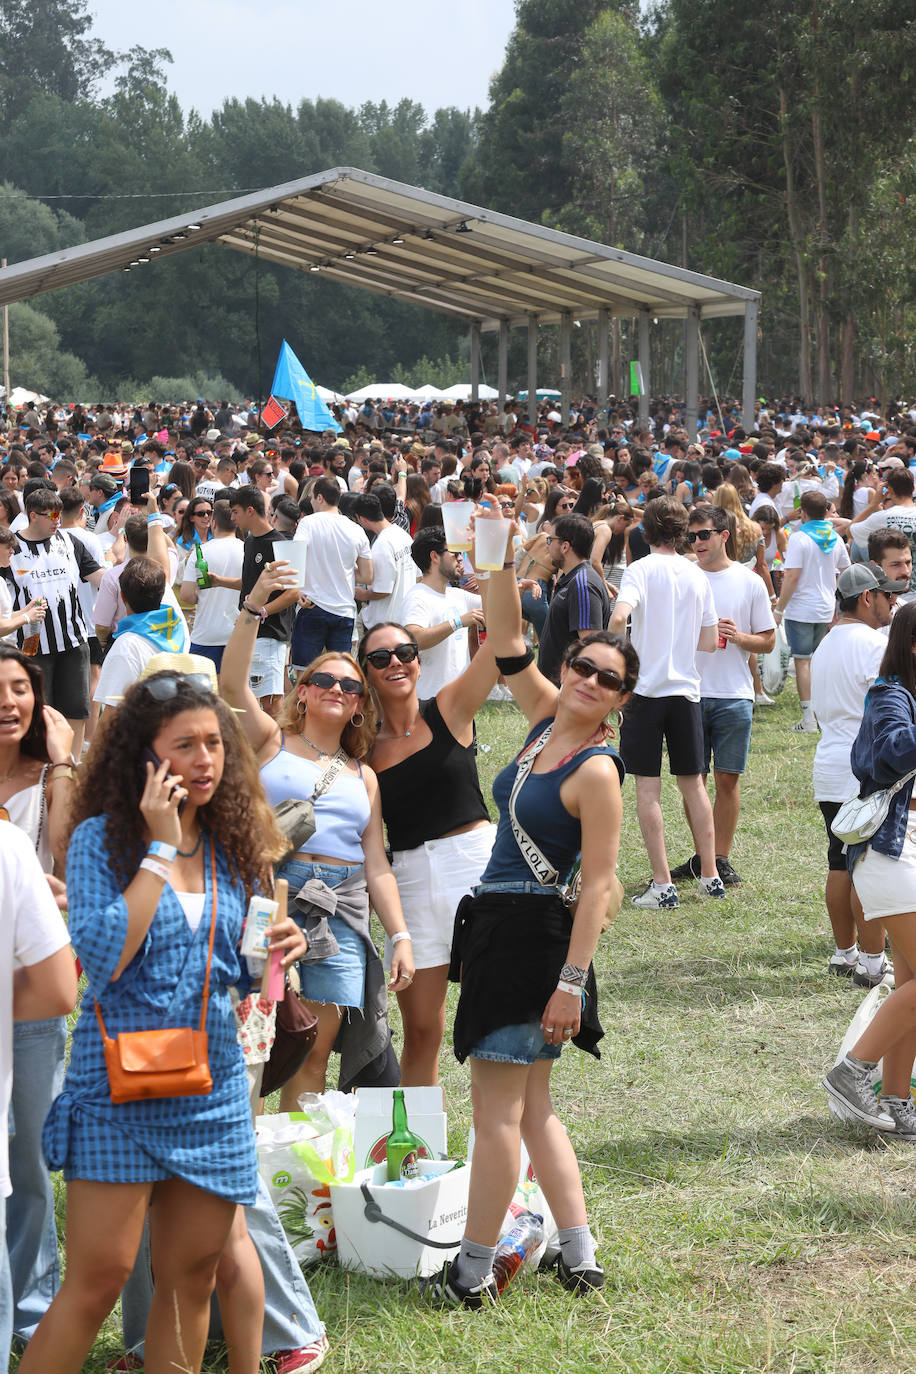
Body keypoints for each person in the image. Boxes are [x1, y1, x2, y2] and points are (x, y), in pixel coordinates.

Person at [18, 668, 304, 1374]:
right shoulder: (97, 843)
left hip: (209, 1087)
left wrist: (277, 955)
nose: (206, 759)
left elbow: (238, 977)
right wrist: (158, 846)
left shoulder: (234, 847)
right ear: (145, 758)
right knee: (98, 1283)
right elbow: (105, 956)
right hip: (116, 1089)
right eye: (186, 745)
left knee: (192, 1275)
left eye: (214, 744)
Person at [425, 513, 634, 1308]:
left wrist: (571, 986)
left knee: (495, 1116)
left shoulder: (597, 770)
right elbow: (508, 639)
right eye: (582, 666)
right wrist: (493, 555)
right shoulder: (546, 719)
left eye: (606, 679)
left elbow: (602, 885)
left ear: (619, 701)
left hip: (536, 935)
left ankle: (473, 1272)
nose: (587, 681)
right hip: (500, 925)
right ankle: (580, 1256)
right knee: (533, 1104)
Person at [220, 561, 414, 1105]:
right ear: (300, 693)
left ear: (358, 707)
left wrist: (399, 937)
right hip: (270, 895)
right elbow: (231, 683)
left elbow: (377, 865)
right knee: (256, 1042)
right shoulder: (270, 740)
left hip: (341, 910)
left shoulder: (365, 777)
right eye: (322, 680)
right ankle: (246, 1177)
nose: (336, 688)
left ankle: (295, 1185)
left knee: (309, 1052)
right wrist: (254, 605)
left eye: (350, 686)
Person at [358, 616, 499, 1085]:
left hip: (476, 865)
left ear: (419, 660)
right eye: (380, 658)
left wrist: (492, 564)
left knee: (496, 1023)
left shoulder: (449, 708)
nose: (395, 663)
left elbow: (502, 640)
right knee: (422, 1032)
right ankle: (421, 1154)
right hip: (411, 879)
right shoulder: (361, 749)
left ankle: (504, 1150)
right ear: (366, 672)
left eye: (405, 652)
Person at [0, 645, 76, 1347]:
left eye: (20, 688)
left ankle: (29, 1311)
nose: (8, 701)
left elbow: (68, 853)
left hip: (25, 993)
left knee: (23, 1163)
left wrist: (61, 761)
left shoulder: (48, 776)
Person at [822, 602, 916, 1139]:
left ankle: (898, 1101)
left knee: (910, 983)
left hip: (909, 852)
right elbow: (890, 754)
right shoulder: (889, 696)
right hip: (891, 851)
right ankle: (853, 1070)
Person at [610, 495, 725, 907]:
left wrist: (618, 657)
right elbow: (710, 642)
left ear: (647, 531)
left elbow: (618, 617)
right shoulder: (697, 576)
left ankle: (663, 884)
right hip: (686, 691)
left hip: (645, 692)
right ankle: (710, 874)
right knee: (693, 784)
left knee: (648, 788)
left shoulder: (639, 570)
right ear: (682, 532)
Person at [668, 505, 775, 887]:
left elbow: (768, 640)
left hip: (733, 695)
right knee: (691, 781)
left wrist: (737, 637)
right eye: (691, 536)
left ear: (724, 535)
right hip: (687, 693)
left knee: (727, 782)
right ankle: (702, 857)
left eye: (704, 535)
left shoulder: (749, 582)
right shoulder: (681, 577)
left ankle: (720, 858)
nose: (696, 543)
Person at [810, 562, 902, 986]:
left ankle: (843, 953)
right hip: (860, 769)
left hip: (829, 766)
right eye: (887, 595)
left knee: (838, 862)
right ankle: (870, 962)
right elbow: (884, 710)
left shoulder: (827, 642)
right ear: (867, 597)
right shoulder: (871, 644)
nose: (892, 602)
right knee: (866, 867)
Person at [773, 490, 851, 732]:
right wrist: (836, 601)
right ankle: (819, 714)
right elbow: (845, 572)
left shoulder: (798, 538)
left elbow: (793, 576)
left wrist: (779, 608)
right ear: (826, 511)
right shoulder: (835, 538)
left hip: (800, 609)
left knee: (803, 661)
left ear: (802, 512)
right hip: (825, 608)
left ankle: (808, 719)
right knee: (816, 661)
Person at [290, 476, 373, 669]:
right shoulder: (356, 529)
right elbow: (367, 576)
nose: (310, 501)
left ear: (319, 497)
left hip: (312, 607)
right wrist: (344, 571)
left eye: (311, 497)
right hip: (344, 610)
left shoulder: (308, 523)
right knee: (340, 675)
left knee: (305, 676)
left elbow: (294, 560)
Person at [403, 528, 484, 698]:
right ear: (434, 557)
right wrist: (458, 622)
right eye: (455, 553)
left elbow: (494, 607)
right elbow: (413, 639)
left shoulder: (456, 594)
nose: (461, 558)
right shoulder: (418, 596)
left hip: (460, 701)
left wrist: (518, 589)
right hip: (430, 702)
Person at [536, 513, 611, 684]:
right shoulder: (574, 579)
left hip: (567, 693)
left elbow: (591, 645)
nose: (547, 546)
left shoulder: (582, 584)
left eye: (550, 540)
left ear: (565, 547)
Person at [179, 499, 245, 671]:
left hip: (206, 634)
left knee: (203, 693)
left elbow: (186, 596)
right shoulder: (247, 549)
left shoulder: (200, 552)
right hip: (239, 634)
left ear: (214, 523)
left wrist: (202, 592)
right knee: (236, 692)